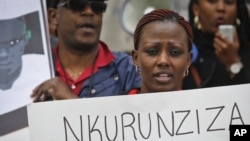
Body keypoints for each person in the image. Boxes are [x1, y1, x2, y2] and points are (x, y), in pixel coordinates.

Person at [31, 0, 141, 101]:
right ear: (54, 17)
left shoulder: (131, 70)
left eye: (97, 6)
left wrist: (70, 100)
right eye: (77, 4)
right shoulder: (31, 71)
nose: (89, 12)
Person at [183, 0, 250, 89]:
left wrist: (233, 63)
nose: (221, 8)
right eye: (212, 1)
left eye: (229, 2)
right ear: (196, 9)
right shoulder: (184, 50)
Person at [129, 9, 193, 94]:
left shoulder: (201, 105)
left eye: (175, 52)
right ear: (136, 58)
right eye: (152, 51)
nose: (163, 61)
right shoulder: (114, 106)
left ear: (188, 60)